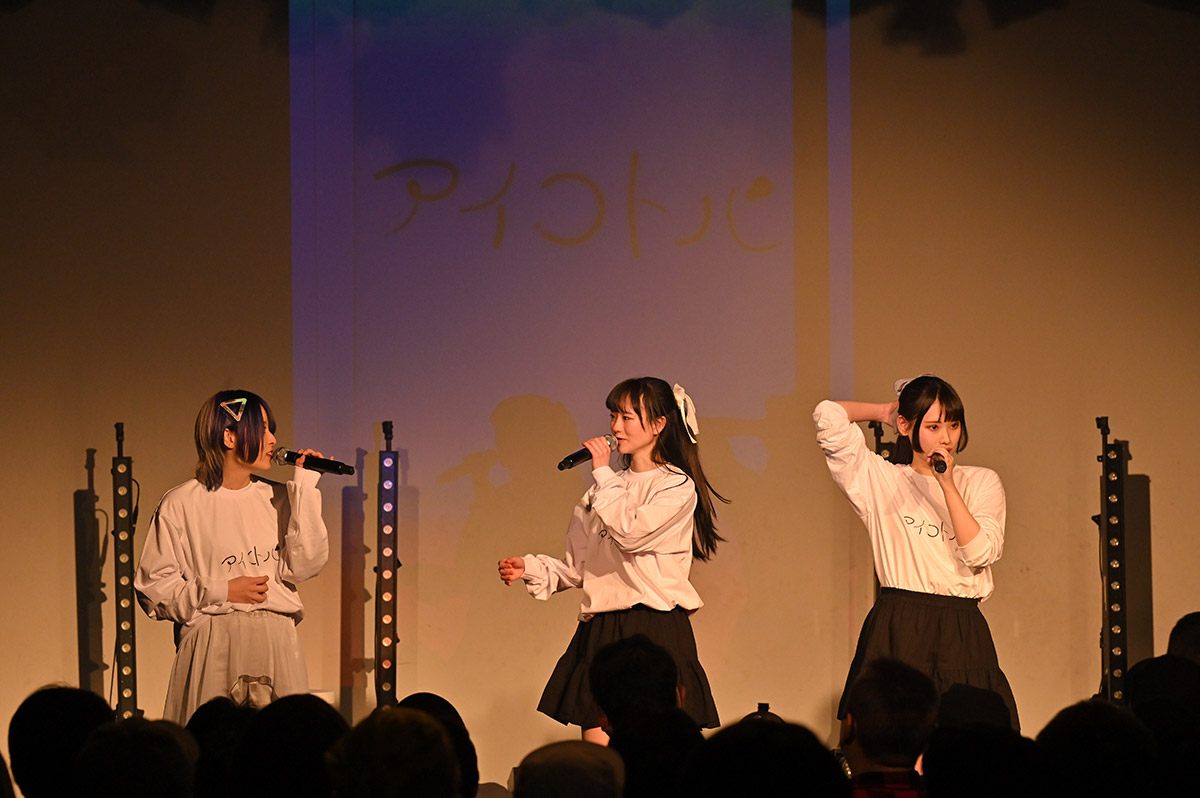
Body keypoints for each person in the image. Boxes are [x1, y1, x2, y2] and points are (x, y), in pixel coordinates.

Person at [498, 377, 724, 743]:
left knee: (656, 749)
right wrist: (532, 568)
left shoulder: (674, 486)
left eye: (627, 417)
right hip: (602, 627)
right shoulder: (600, 491)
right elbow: (579, 567)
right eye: (612, 416)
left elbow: (631, 533)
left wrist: (603, 473)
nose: (616, 427)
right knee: (600, 752)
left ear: (658, 424)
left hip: (654, 625)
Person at [814, 375, 1018, 730]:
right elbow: (828, 415)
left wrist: (947, 485)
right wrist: (887, 413)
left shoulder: (981, 481)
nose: (946, 438)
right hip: (900, 623)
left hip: (961, 626)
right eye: (933, 426)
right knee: (893, 733)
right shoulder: (883, 480)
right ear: (908, 427)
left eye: (953, 425)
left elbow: (980, 553)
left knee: (972, 735)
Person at [135, 389, 329, 725]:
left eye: (271, 429)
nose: (273, 440)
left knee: (279, 740)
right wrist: (223, 590)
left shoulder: (278, 497)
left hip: (275, 642)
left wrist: (307, 488)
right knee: (213, 739)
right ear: (229, 437)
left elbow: (305, 565)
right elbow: (154, 590)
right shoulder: (181, 503)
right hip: (213, 643)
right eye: (262, 429)